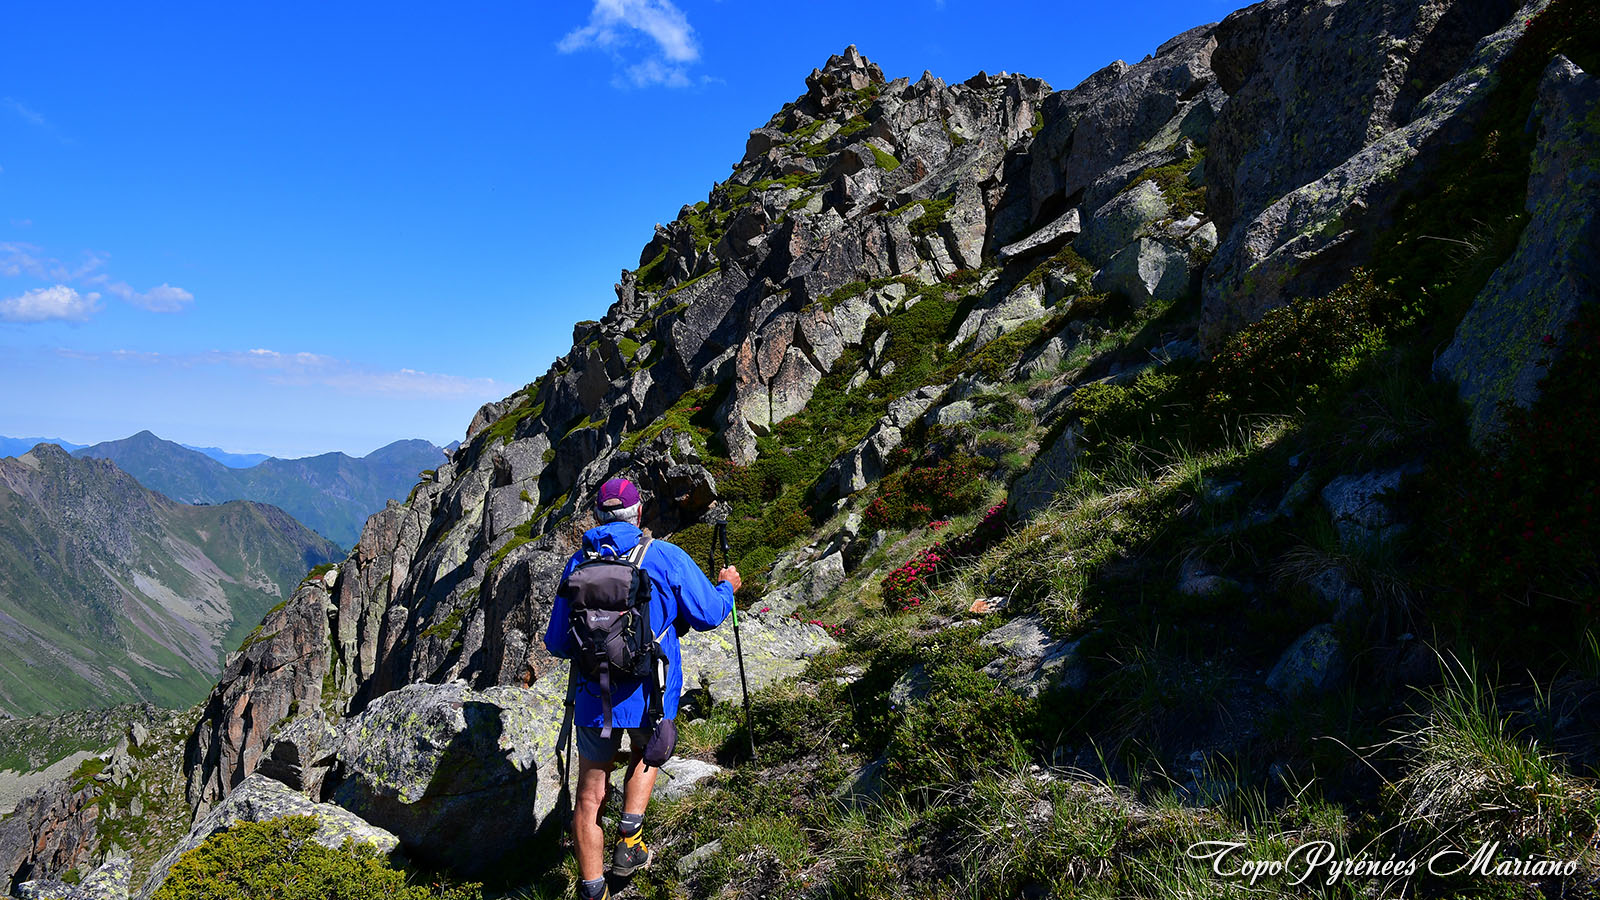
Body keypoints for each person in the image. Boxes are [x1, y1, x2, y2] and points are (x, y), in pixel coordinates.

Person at [544, 477, 740, 900]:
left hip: (593, 698)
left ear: (597, 515)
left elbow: (557, 643)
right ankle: (629, 843)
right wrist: (728, 586)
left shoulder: (577, 564)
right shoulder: (664, 555)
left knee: (590, 795)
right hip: (649, 692)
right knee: (648, 752)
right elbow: (709, 615)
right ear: (637, 513)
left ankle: (592, 891)